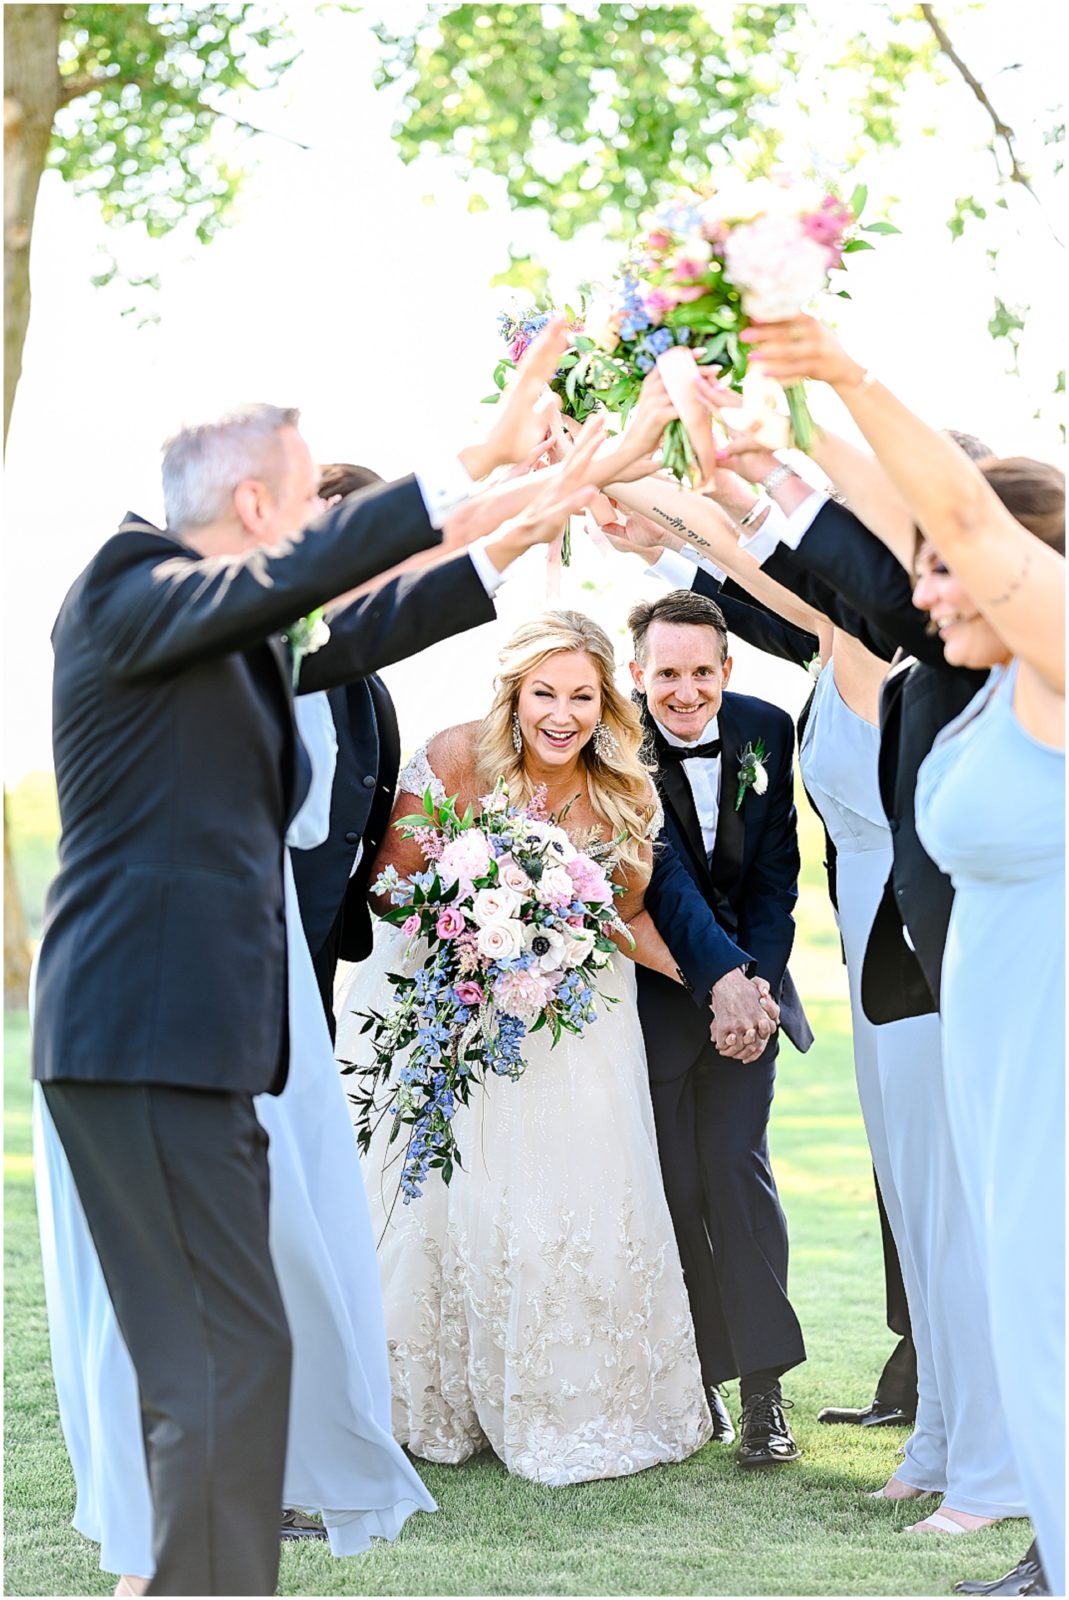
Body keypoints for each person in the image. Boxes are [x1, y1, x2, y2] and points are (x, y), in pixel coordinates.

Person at [30, 314, 603, 1595]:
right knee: (209, 1364)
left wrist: (534, 495)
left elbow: (366, 618)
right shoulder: (126, 588)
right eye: (305, 495)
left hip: (201, 1043)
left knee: (248, 1354)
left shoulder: (222, 637)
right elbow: (318, 583)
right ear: (251, 503)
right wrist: (466, 465)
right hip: (139, 1039)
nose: (316, 519)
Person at [736, 313, 1065, 1592]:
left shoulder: (1055, 662)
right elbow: (895, 539)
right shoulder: (978, 677)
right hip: (995, 1034)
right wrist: (768, 427)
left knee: (1045, 1309)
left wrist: (841, 369)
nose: (916, 595)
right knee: (1027, 1312)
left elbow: (968, 526)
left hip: (1050, 1038)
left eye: (943, 570)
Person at [32, 689, 437, 1588]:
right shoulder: (152, 623)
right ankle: (151, 1545)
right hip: (156, 987)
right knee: (164, 1282)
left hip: (278, 967)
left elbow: (336, 814)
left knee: (274, 1271)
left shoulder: (333, 664)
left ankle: (226, 1511)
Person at [335, 610, 716, 1483]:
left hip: (574, 1027)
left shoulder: (623, 788)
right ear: (513, 693)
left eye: (582, 696)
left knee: (563, 1201)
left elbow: (621, 915)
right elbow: (391, 887)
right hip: (451, 1012)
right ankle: (429, 1399)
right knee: (441, 1198)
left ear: (605, 704)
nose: (563, 713)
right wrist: (475, 906)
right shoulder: (456, 755)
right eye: (544, 692)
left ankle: (573, 1396)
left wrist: (707, 982)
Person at [625, 588, 811, 1469]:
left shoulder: (768, 728)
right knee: (672, 1191)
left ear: (727, 670)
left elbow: (778, 875)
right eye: (667, 673)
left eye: (702, 672)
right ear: (638, 672)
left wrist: (759, 987)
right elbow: (661, 880)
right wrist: (721, 982)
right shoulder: (610, 739)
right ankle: (695, 1379)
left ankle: (766, 1392)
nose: (685, 690)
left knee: (738, 1178)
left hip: (752, 1012)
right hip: (654, 1003)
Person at [292, 461, 557, 1032]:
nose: (390, 572)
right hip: (261, 934)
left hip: (316, 941)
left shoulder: (364, 678)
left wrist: (520, 486)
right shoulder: (275, 645)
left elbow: (428, 567)